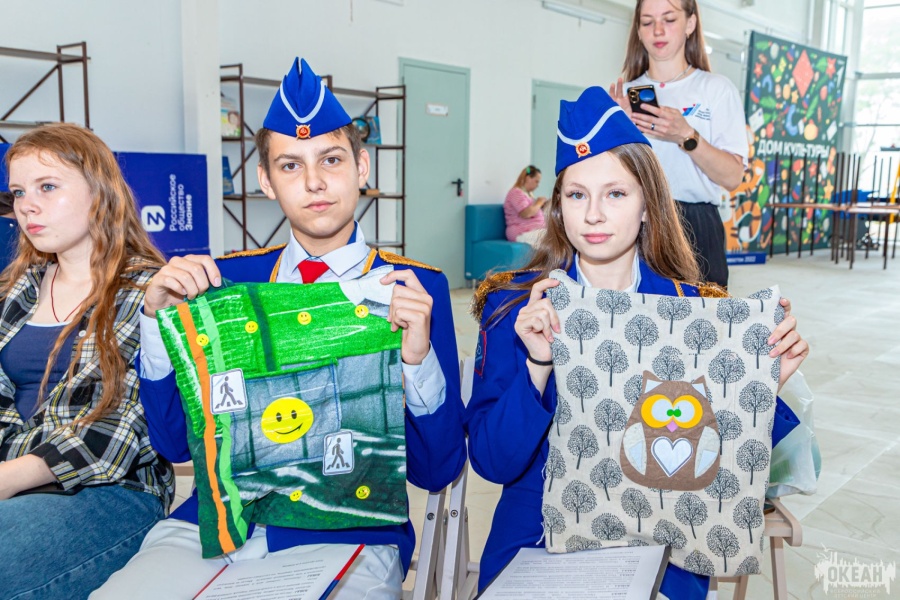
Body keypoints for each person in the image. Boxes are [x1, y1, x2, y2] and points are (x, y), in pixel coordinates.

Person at [95, 58, 467, 599]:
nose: (314, 182)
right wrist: (155, 324)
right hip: (214, 529)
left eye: (331, 159)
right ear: (266, 182)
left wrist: (417, 360)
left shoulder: (415, 290)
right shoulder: (228, 284)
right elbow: (174, 444)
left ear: (362, 167)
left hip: (349, 531)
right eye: (290, 166)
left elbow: (437, 470)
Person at [465, 87, 807, 599]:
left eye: (616, 194)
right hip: (537, 537)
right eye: (577, 195)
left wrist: (758, 386)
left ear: (648, 204)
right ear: (557, 207)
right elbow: (493, 463)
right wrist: (537, 364)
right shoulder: (515, 307)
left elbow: (728, 467)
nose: (593, 214)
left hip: (665, 544)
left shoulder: (697, 311)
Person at [0, 123, 174, 599]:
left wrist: (11, 477)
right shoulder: (14, 290)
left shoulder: (151, 291)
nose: (27, 205)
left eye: (47, 187)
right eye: (19, 192)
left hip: (112, 491)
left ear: (100, 191)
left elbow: (126, 426)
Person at [609, 0, 747, 288]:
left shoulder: (716, 89)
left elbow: (733, 177)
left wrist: (687, 136)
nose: (658, 30)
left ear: (690, 24)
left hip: (696, 224)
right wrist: (616, 129)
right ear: (638, 30)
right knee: (637, 312)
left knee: (702, 313)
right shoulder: (626, 94)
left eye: (669, 19)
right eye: (648, 22)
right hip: (637, 220)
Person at [504, 165, 548, 245]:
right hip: (520, 232)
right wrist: (539, 203)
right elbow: (526, 213)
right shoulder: (515, 192)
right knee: (552, 238)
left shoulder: (528, 195)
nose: (538, 185)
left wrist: (543, 204)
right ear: (528, 178)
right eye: (536, 181)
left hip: (533, 230)